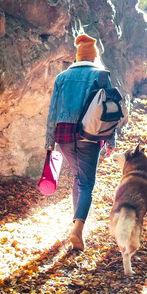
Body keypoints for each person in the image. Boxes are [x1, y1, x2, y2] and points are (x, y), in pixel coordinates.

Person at [45, 34, 116, 251]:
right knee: (85, 182)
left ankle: (76, 222)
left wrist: (49, 142)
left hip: (64, 135)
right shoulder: (102, 76)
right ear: (94, 57)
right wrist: (111, 140)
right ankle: (78, 228)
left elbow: (53, 112)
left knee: (78, 176)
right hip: (90, 135)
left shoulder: (62, 77)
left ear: (77, 57)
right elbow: (108, 112)